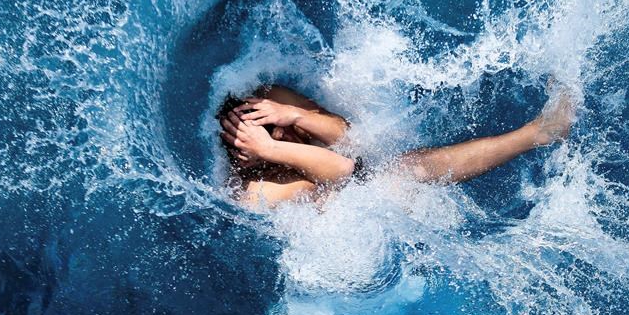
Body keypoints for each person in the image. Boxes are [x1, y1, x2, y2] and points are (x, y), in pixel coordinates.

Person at [217, 83, 576, 208]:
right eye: (271, 141)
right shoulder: (251, 193)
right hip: (339, 236)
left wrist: (296, 115)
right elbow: (346, 174)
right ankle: (540, 133)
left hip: (349, 181)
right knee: (395, 174)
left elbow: (347, 135)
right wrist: (274, 150)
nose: (286, 136)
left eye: (277, 128)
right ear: (247, 159)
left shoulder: (274, 106)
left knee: (386, 167)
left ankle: (542, 131)